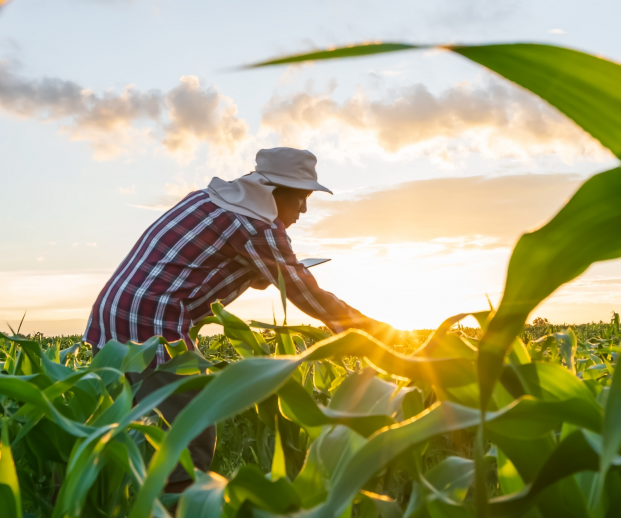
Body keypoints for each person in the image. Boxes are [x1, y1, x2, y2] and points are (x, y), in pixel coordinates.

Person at [81, 147, 391, 492]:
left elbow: (201, 265)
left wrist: (258, 273)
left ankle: (70, 501)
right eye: (301, 197)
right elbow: (307, 294)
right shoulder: (256, 225)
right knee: (191, 425)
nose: (304, 209)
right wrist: (373, 333)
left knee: (107, 422)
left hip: (116, 311)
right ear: (274, 191)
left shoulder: (211, 201)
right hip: (151, 323)